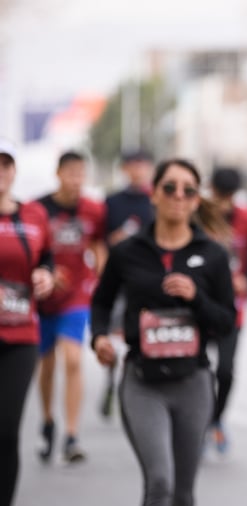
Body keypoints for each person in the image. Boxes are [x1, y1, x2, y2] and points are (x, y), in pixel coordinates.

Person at [90, 158, 236, 506]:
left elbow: (227, 323)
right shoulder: (127, 251)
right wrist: (100, 337)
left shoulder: (211, 255)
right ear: (153, 193)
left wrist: (196, 297)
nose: (178, 196)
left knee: (183, 494)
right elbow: (101, 302)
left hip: (192, 384)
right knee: (160, 482)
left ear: (196, 200)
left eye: (188, 189)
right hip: (142, 383)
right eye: (169, 187)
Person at [0, 138, 55, 506]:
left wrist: (45, 277)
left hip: (20, 335)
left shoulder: (35, 214)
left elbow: (48, 261)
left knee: (5, 435)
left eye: (5, 164)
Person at [34, 150, 106, 464]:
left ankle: (72, 434)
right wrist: (46, 276)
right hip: (43, 297)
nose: (77, 180)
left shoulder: (93, 210)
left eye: (82, 173)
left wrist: (102, 272)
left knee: (73, 359)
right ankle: (49, 421)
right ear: (58, 173)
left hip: (77, 294)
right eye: (71, 173)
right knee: (46, 365)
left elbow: (97, 243)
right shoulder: (38, 209)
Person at [201, 166, 247, 453]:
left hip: (232, 309)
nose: (223, 202)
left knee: (225, 371)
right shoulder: (199, 216)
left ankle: (216, 418)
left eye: (228, 196)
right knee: (198, 370)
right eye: (219, 195)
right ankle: (197, 421)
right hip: (199, 306)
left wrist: (245, 278)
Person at [99, 148, 156, 418]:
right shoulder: (112, 201)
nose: (138, 169)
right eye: (133, 164)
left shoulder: (155, 200)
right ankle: (112, 379)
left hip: (146, 277)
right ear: (125, 168)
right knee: (114, 334)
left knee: (142, 329)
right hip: (118, 275)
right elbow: (100, 241)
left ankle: (138, 380)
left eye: (142, 164)